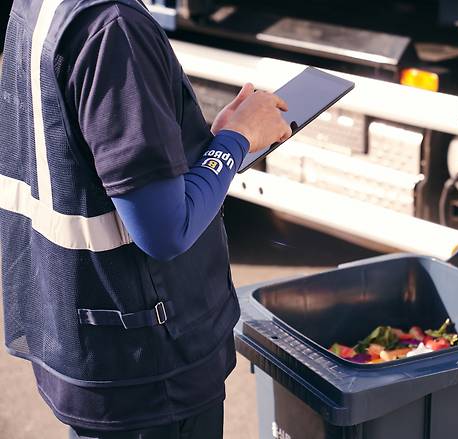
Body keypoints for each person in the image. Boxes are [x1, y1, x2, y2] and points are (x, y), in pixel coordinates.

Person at [0, 0, 292, 437]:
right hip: (150, 373)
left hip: (89, 348)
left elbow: (86, 163)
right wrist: (237, 139)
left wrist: (201, 143)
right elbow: (165, 230)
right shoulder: (113, 28)